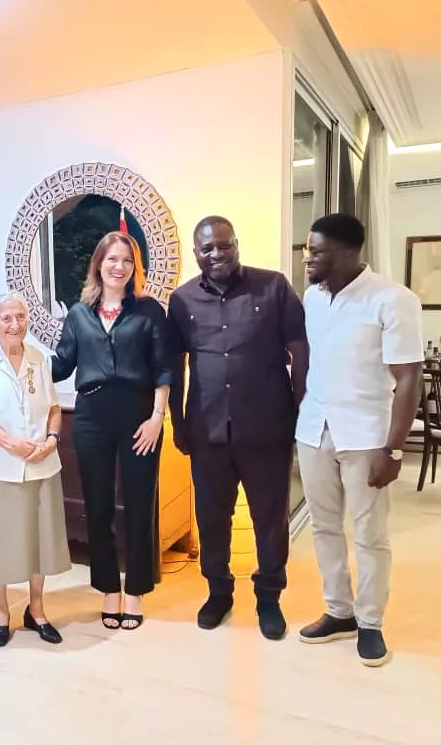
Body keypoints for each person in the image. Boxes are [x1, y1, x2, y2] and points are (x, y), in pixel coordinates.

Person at [166, 215, 308, 640]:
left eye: (223, 245)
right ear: (196, 254)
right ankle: (219, 592)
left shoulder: (274, 286)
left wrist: (299, 411)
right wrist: (178, 421)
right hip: (207, 430)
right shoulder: (182, 300)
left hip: (267, 429)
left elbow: (300, 351)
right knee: (212, 518)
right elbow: (176, 367)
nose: (216, 255)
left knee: (269, 518)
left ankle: (269, 597)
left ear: (236, 244)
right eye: (206, 249)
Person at [296, 213, 423, 667]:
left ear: (349, 253)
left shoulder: (392, 299)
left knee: (370, 534)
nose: (307, 258)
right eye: (307, 249)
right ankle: (339, 611)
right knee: (324, 527)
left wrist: (394, 448)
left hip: (367, 434)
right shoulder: (311, 298)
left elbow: (409, 379)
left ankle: (370, 622)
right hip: (314, 429)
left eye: (317, 251)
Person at [51, 231, 172, 630]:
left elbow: (164, 368)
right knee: (98, 507)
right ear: (98, 265)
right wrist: (15, 356)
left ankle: (135, 590)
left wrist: (157, 418)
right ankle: (108, 589)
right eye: (111, 259)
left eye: (126, 260)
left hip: (140, 416)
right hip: (91, 417)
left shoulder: (149, 311)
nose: (118, 267)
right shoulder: (79, 314)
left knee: (139, 506)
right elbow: (61, 364)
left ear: (134, 268)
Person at [0, 292, 71, 647]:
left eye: (21, 317)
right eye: (7, 319)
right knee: (0, 540)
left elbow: (54, 409)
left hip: (42, 464)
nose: (15, 325)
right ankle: (0, 611)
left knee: (39, 538)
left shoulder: (39, 359)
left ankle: (37, 610)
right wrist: (12, 444)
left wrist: (52, 440)